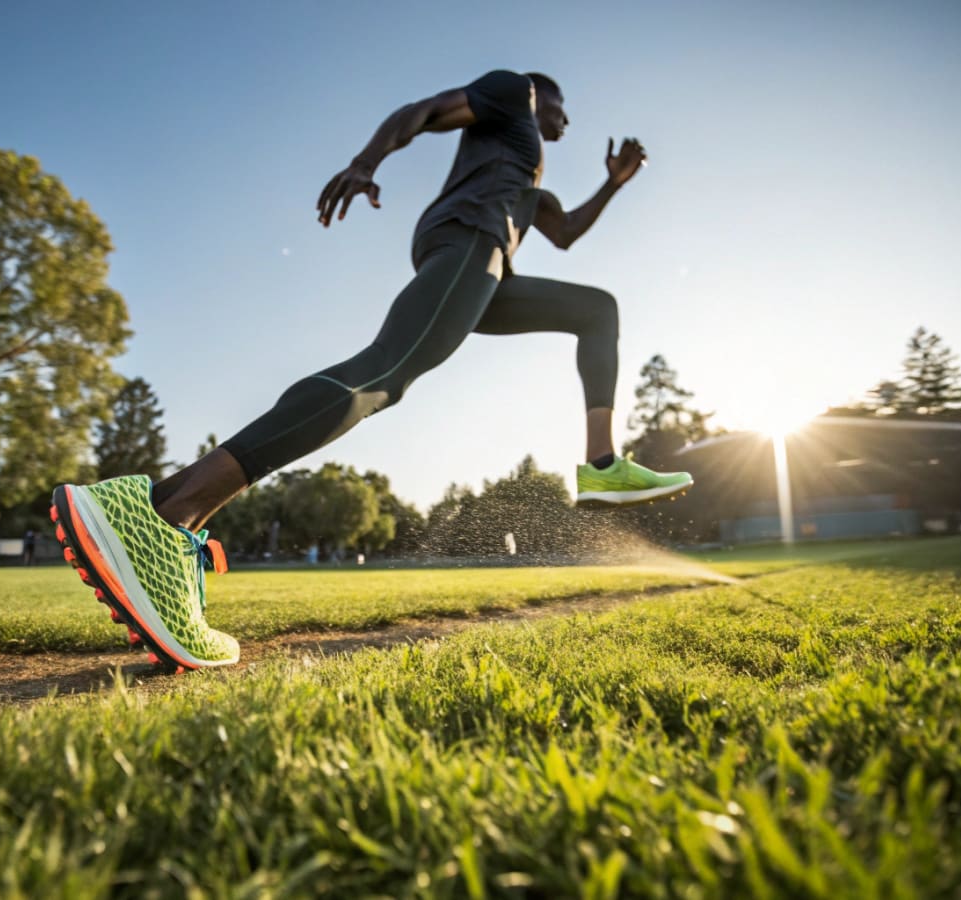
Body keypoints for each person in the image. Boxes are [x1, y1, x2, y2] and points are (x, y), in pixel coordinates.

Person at [50, 70, 693, 671]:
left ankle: (601, 464)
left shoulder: (528, 188)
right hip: (469, 239)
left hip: (491, 264)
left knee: (596, 310)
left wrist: (614, 183)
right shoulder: (514, 91)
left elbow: (566, 232)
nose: (566, 120)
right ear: (540, 98)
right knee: (382, 374)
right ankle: (170, 515)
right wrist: (366, 163)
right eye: (561, 107)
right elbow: (425, 111)